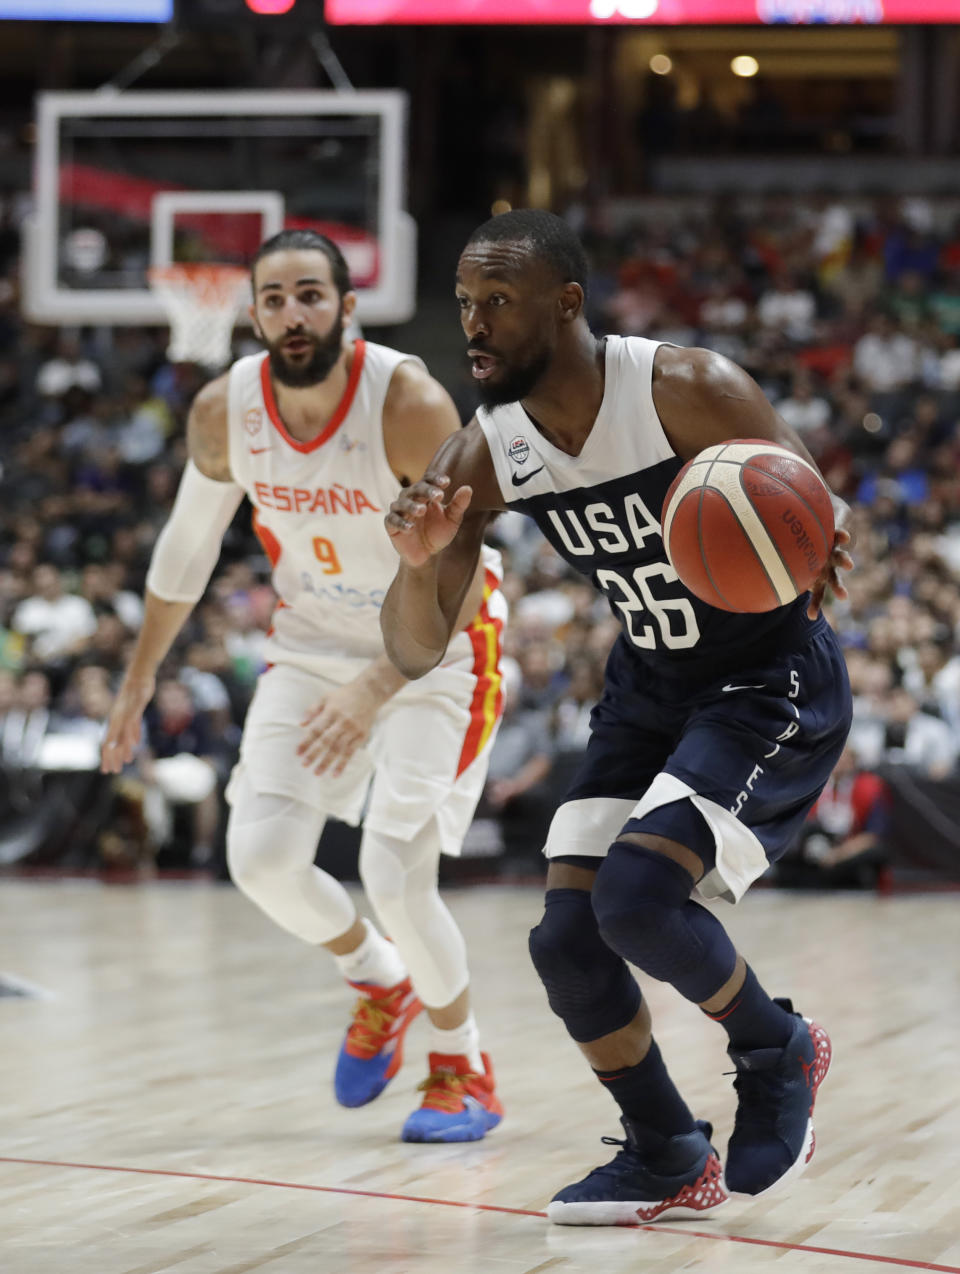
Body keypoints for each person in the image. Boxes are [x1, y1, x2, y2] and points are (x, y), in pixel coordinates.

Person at [381, 210, 853, 1224]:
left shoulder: (684, 387)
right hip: (650, 684)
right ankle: (667, 1150)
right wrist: (420, 565)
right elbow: (417, 645)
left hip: (766, 675)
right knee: (567, 939)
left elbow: (806, 508)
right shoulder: (488, 448)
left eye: (497, 302)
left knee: (637, 898)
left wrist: (820, 537)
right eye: (464, 302)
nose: (474, 323)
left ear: (567, 303)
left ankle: (775, 1047)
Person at [101, 229, 506, 1143]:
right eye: (275, 298)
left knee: (394, 873)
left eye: (311, 296)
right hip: (314, 642)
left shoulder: (405, 400)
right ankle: (378, 979)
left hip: (438, 652)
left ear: (347, 308)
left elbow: (465, 575)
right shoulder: (224, 410)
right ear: (251, 314)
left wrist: (374, 689)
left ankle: (463, 1065)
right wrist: (136, 682)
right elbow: (187, 549)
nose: (293, 314)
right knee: (261, 859)